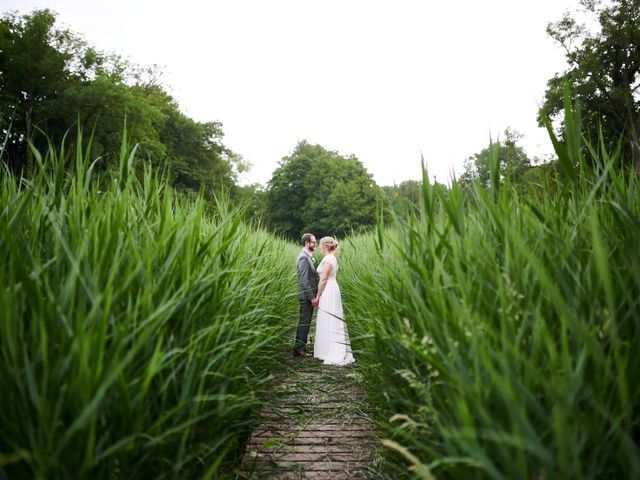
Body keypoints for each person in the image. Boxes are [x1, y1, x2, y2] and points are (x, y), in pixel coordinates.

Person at [313, 236, 355, 366]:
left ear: (325, 246)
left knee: (329, 316)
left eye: (320, 245)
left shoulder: (327, 259)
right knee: (333, 317)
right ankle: (330, 348)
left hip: (328, 290)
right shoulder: (333, 258)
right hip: (333, 288)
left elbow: (324, 279)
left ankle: (331, 351)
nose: (319, 247)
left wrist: (318, 296)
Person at [294, 233, 319, 357]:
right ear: (307, 243)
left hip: (307, 295)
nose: (315, 244)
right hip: (306, 296)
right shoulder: (304, 257)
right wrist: (312, 297)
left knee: (306, 322)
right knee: (304, 322)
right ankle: (298, 349)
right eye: (313, 242)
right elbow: (304, 280)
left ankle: (300, 347)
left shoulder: (307, 256)